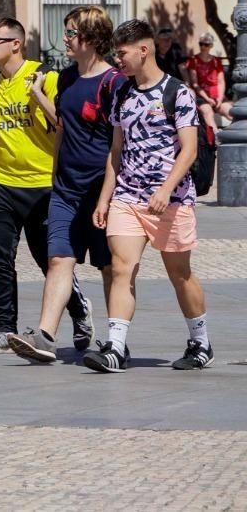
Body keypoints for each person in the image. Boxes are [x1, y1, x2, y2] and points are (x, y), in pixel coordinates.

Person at [83, 19, 214, 372]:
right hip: (128, 197)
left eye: (122, 53)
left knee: (180, 274)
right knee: (121, 268)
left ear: (143, 50)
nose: (117, 60)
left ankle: (201, 342)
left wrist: (166, 189)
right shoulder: (121, 94)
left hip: (171, 200)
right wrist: (104, 198)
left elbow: (189, 149)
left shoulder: (177, 92)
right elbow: (116, 151)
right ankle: (115, 347)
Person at [0, 17, 93, 355]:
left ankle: (79, 310)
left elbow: (66, 124)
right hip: (2, 185)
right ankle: (4, 328)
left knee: (49, 260)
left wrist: (38, 95)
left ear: (16, 44)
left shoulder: (47, 77)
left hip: (44, 186)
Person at [10, 6, 121, 364]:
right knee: (58, 258)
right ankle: (45, 337)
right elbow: (63, 125)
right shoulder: (68, 78)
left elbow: (118, 144)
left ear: (91, 37)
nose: (65, 39)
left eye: (71, 33)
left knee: (109, 267)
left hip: (101, 190)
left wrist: (108, 196)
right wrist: (55, 173)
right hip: (66, 190)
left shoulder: (114, 83)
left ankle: (115, 339)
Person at [184, 33, 229, 133]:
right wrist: (208, 99)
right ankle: (215, 136)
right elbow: (195, 84)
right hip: (202, 96)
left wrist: (220, 99)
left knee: (229, 111)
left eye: (206, 44)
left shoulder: (216, 61)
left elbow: (221, 82)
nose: (203, 47)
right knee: (207, 111)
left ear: (211, 46)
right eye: (201, 44)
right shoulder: (194, 60)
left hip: (217, 95)